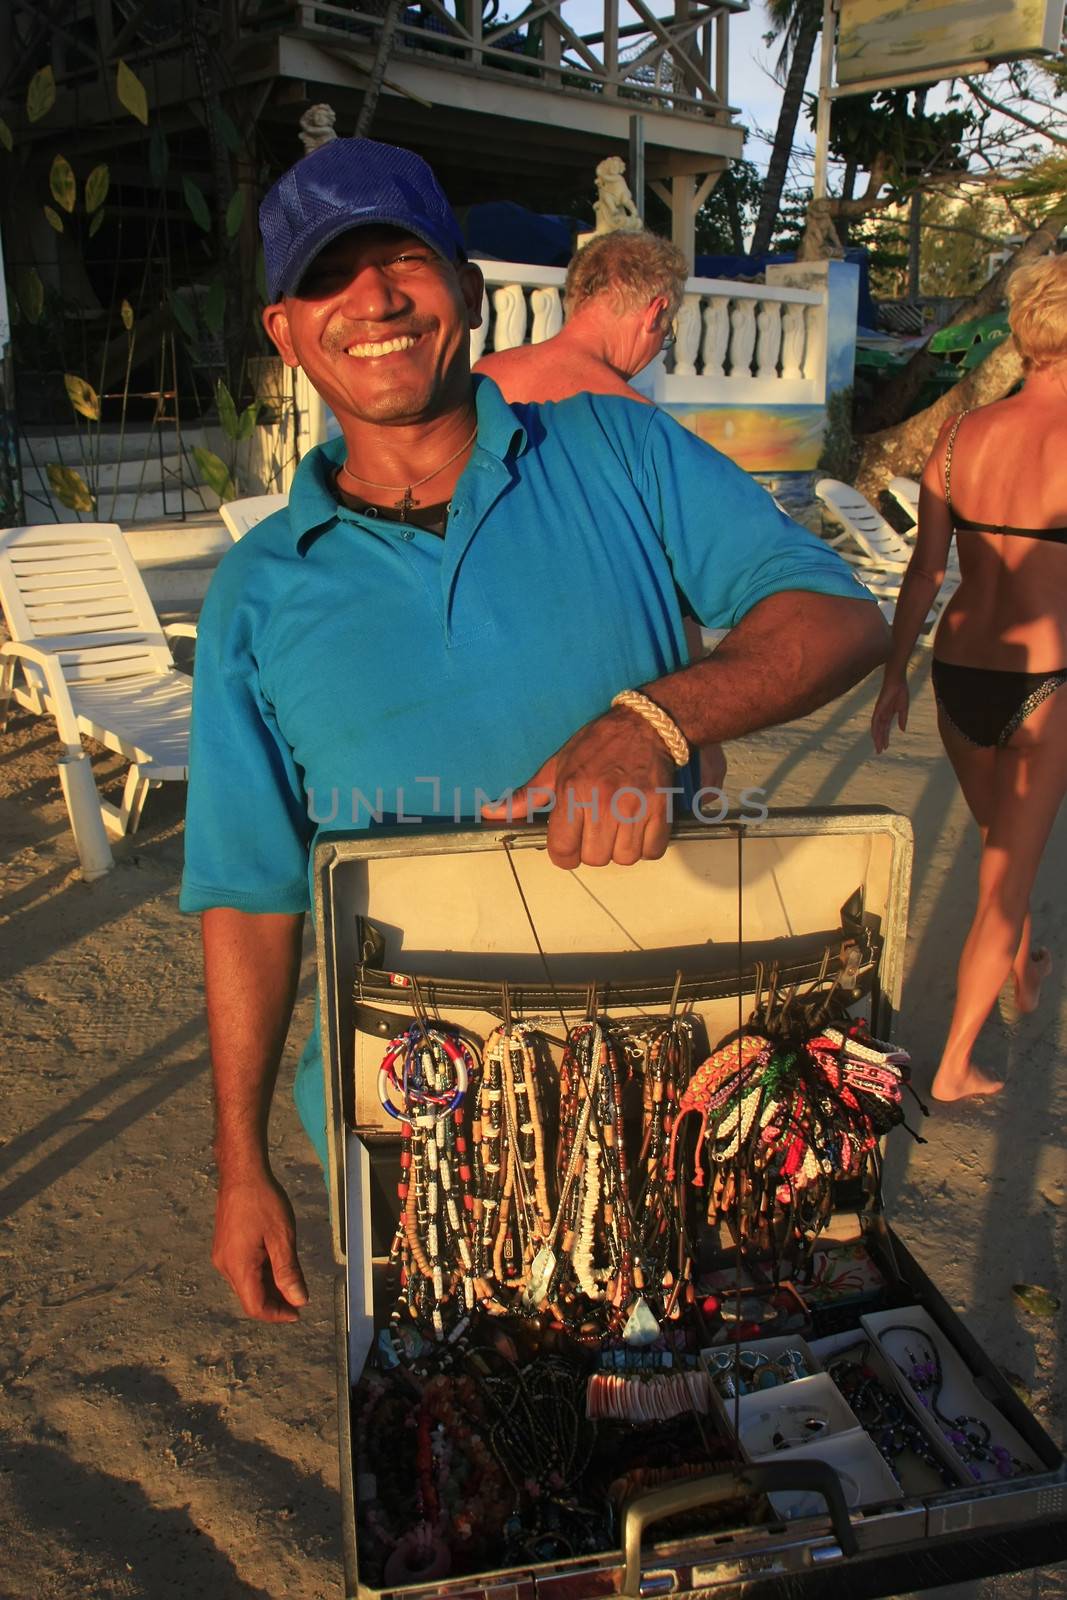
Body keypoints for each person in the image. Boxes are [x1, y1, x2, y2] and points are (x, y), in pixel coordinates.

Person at [181, 137, 886, 1324]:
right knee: (471, 1458)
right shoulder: (257, 590)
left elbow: (838, 618)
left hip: (685, 1088)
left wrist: (654, 717)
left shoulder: (616, 452)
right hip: (415, 1126)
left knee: (706, 1420)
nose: (372, 301)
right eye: (327, 278)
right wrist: (240, 1165)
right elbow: (249, 898)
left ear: (460, 288)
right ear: (286, 331)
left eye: (401, 259)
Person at [871, 254, 1067, 1103]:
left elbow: (922, 573)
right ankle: (953, 1061)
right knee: (1006, 875)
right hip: (1045, 678)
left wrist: (891, 676)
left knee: (1000, 848)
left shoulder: (960, 437)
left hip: (956, 671)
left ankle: (1019, 962)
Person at [477, 229, 726, 788]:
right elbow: (679, 601)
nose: (662, 341)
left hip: (481, 699)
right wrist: (697, 736)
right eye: (668, 326)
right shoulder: (638, 427)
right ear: (655, 310)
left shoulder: (477, 387)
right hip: (605, 725)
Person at [476, 228, 685, 405]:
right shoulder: (637, 422)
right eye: (666, 335)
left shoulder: (486, 376)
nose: (660, 345)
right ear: (655, 312)